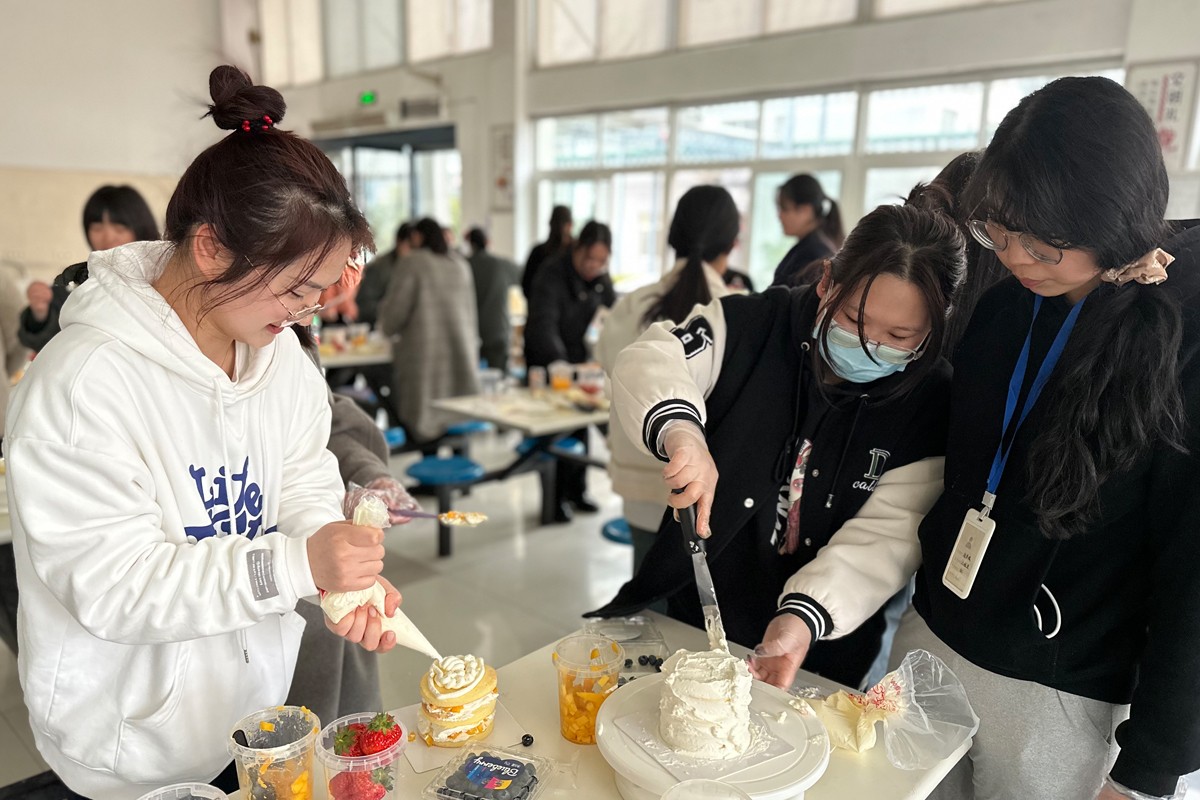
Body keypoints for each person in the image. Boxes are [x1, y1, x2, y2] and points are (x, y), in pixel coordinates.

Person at [751, 77, 1200, 800]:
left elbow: (1191, 573)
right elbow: (935, 485)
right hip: (930, 646)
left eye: (1042, 243)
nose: (1016, 257)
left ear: (1114, 218)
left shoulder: (1176, 345)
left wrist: (1147, 769)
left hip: (1060, 696)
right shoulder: (1000, 314)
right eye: (999, 231)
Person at [4, 65, 400, 798]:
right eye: (294, 290)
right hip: (126, 743)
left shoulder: (280, 358)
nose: (304, 314)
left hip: (248, 712)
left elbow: (303, 477)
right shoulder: (83, 384)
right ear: (212, 248)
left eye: (316, 295)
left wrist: (336, 572)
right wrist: (295, 566)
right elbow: (117, 586)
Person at [587, 198, 965, 690]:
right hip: (701, 610)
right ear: (827, 281)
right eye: (853, 319)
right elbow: (653, 358)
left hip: (820, 646)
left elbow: (889, 533)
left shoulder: (930, 399)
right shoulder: (752, 323)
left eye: (898, 335)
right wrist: (683, 433)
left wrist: (804, 617)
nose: (869, 345)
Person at [596, 186, 739, 574]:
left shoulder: (632, 304)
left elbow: (609, 367)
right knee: (695, 593)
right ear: (733, 241)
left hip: (636, 480)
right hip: (701, 487)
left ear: (673, 235)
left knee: (645, 583)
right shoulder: (733, 311)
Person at [525, 221, 616, 522]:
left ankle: (578, 492)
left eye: (601, 261)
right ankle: (554, 501)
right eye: (589, 258)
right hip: (551, 362)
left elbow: (614, 316)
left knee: (582, 426)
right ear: (577, 249)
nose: (594, 266)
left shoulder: (601, 279)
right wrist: (557, 361)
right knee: (555, 429)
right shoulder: (552, 273)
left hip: (583, 364)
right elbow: (543, 322)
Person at [376, 217, 480, 444]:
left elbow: (393, 318)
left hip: (424, 361)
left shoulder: (412, 263)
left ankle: (423, 452)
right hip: (460, 359)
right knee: (453, 418)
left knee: (422, 420)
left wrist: (385, 323)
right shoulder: (460, 265)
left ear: (417, 237)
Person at [20, 185, 161, 353]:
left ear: (141, 228)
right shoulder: (76, 282)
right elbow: (48, 340)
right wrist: (41, 312)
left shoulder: (161, 278)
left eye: (119, 228)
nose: (108, 237)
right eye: (97, 228)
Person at [769, 174, 843, 289]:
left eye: (784, 209)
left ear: (806, 210)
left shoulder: (814, 253)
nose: (779, 216)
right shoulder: (813, 246)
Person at [465, 226, 522, 373]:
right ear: (487, 242)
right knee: (498, 378)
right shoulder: (502, 265)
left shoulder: (464, 265)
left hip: (471, 333)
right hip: (497, 332)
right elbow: (526, 277)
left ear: (470, 243)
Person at [356, 221, 413, 329]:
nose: (413, 252)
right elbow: (364, 304)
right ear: (399, 242)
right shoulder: (379, 267)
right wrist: (393, 311)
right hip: (378, 329)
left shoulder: (414, 267)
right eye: (410, 246)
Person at [522, 204, 573, 299]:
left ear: (550, 224)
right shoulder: (574, 253)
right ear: (570, 225)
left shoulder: (537, 252)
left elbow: (526, 287)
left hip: (539, 304)